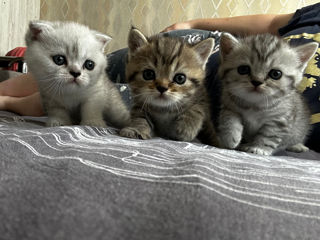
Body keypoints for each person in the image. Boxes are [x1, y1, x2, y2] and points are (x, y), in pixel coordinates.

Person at [0, 3, 319, 151]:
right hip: (220, 59)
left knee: (111, 98)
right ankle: (9, 93)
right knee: (95, 66)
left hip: (206, 86)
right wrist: (193, 22)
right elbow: (274, 21)